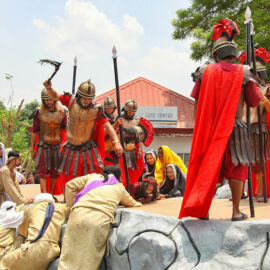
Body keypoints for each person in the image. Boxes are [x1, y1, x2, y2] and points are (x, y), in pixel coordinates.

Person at [179, 18, 261, 221]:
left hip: (210, 128)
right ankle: (235, 211)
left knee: (210, 166)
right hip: (237, 128)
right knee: (237, 168)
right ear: (234, 54)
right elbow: (253, 102)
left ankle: (203, 210)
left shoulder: (204, 72)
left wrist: (200, 127)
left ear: (216, 54)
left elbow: (197, 102)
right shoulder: (245, 73)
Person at [58, 166, 141, 270]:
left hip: (78, 213)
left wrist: (71, 206)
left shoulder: (92, 176)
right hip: (99, 218)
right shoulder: (119, 186)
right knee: (89, 259)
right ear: (118, 176)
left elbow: (69, 185)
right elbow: (132, 203)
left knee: (68, 255)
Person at [43, 79, 123, 187]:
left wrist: (116, 142)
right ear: (79, 95)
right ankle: (69, 200)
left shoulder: (96, 110)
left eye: (89, 98)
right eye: (85, 97)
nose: (87, 100)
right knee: (68, 176)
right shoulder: (70, 101)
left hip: (88, 148)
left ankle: (90, 198)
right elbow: (55, 95)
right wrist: (49, 88)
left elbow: (108, 126)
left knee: (94, 175)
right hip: (70, 147)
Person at [1, 193, 69, 270]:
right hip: (53, 250)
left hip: (35, 249)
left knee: (4, 262)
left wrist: (24, 204)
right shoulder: (61, 208)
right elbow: (70, 207)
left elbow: (22, 229)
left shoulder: (31, 208)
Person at [238, 47, 270, 202]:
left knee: (258, 162)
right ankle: (241, 193)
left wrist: (263, 97)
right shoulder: (244, 89)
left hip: (259, 128)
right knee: (242, 161)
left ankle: (260, 193)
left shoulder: (266, 88)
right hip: (244, 127)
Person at [30, 88, 67, 195]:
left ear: (54, 99)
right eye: (46, 100)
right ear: (43, 100)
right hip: (43, 146)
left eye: (50, 99)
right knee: (42, 172)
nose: (49, 102)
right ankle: (45, 195)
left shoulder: (62, 112)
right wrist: (32, 148)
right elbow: (34, 131)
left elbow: (67, 129)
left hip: (56, 146)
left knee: (55, 172)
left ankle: (50, 194)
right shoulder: (39, 112)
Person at [118, 100, 145, 185]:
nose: (130, 114)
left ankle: (133, 187)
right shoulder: (119, 120)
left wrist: (140, 150)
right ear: (124, 110)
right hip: (123, 147)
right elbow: (117, 135)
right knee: (123, 170)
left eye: (132, 112)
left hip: (134, 147)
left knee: (136, 169)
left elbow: (139, 137)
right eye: (128, 111)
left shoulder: (136, 121)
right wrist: (124, 146)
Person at [103, 97, 120, 166]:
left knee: (116, 172)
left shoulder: (119, 118)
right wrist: (115, 125)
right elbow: (102, 133)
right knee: (105, 172)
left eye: (110, 108)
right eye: (107, 108)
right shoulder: (102, 119)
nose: (109, 109)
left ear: (114, 108)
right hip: (105, 148)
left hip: (116, 149)